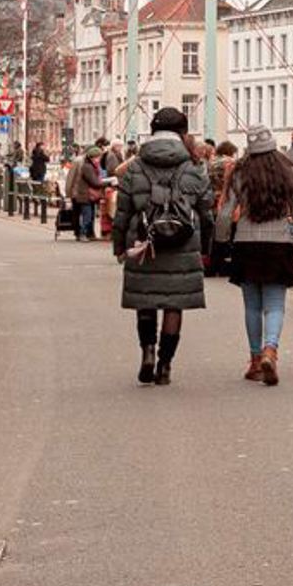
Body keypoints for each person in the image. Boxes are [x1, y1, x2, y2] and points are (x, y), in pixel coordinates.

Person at [111, 106, 216, 386]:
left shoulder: (135, 166)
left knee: (145, 301)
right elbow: (206, 210)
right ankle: (165, 365)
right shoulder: (195, 167)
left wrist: (119, 245)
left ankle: (147, 351)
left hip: (144, 241)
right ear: (183, 133)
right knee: (174, 306)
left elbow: (122, 210)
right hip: (183, 243)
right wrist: (206, 247)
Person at [218, 128, 293, 385]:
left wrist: (220, 241)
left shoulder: (240, 172)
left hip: (246, 243)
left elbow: (226, 212)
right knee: (275, 305)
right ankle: (271, 349)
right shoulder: (288, 171)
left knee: (252, 306)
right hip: (278, 243)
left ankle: (255, 360)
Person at [69, 139, 108, 240]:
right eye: (98, 157)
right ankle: (82, 234)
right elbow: (94, 182)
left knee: (89, 215)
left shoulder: (91, 166)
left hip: (87, 194)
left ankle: (87, 234)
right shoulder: (87, 167)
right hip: (84, 195)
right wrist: (107, 182)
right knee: (87, 215)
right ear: (92, 157)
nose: (99, 159)